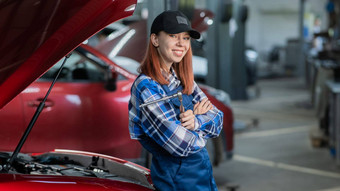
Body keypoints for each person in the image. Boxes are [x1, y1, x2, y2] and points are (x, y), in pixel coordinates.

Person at [128, 10, 223, 191]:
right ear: (155, 40)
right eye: (173, 36)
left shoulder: (182, 79)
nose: (181, 43)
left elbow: (218, 120)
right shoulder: (147, 87)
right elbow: (180, 144)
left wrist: (195, 121)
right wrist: (202, 122)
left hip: (202, 176)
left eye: (186, 38)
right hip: (176, 182)